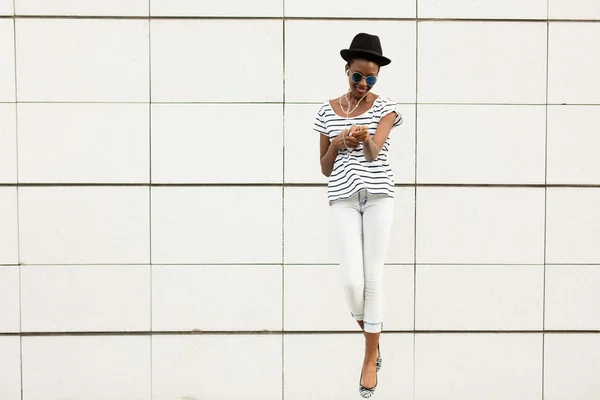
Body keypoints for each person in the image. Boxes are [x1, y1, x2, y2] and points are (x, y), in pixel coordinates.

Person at [314, 32, 402, 398]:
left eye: (371, 79)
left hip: (379, 196)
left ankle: (369, 357)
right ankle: (373, 334)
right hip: (343, 200)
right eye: (358, 76)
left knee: (373, 277)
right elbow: (324, 168)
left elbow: (373, 153)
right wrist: (337, 141)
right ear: (346, 70)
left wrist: (364, 138)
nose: (364, 84)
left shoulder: (388, 108)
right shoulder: (325, 111)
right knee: (352, 283)